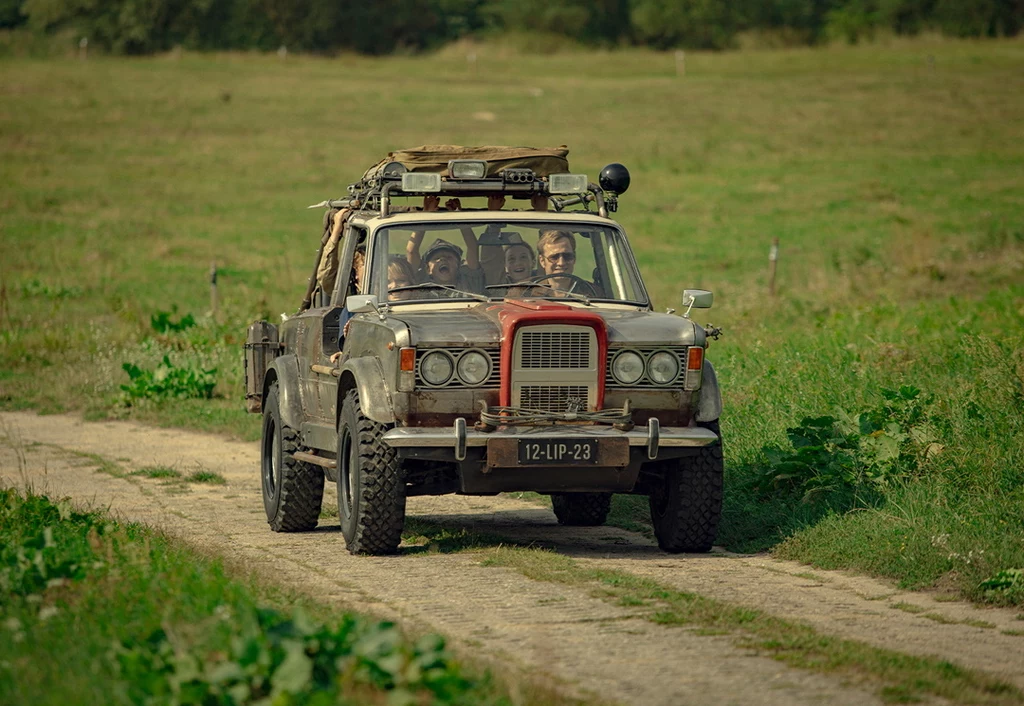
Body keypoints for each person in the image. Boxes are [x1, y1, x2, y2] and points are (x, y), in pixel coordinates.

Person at [406, 196, 484, 293]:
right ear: (427, 269)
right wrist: (425, 215)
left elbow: (472, 247)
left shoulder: (468, 283)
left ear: (459, 265)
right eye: (436, 258)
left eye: (449, 257)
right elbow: (411, 251)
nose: (442, 259)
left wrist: (460, 217)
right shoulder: (422, 285)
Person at [536, 229, 598, 296]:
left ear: (574, 258)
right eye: (554, 257)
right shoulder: (528, 292)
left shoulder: (594, 293)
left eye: (567, 256)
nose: (561, 263)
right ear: (542, 261)